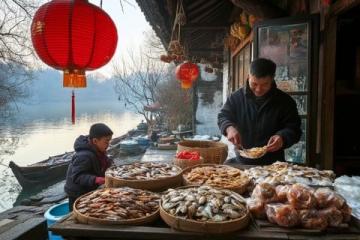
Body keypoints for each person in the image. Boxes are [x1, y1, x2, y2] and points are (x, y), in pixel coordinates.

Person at [218, 58, 301, 165]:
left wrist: (283, 137)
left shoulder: (285, 101)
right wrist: (229, 128)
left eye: (265, 84)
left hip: (274, 164)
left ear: (272, 79)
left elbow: (294, 128)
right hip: (242, 161)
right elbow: (223, 116)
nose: (258, 89)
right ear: (248, 77)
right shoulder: (236, 98)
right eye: (254, 84)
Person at [64, 123, 113, 211]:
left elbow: (105, 163)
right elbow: (77, 176)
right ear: (95, 141)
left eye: (109, 141)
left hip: (88, 189)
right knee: (77, 213)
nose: (108, 144)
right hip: (76, 192)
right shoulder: (83, 156)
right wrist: (96, 179)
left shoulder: (98, 150)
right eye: (106, 141)